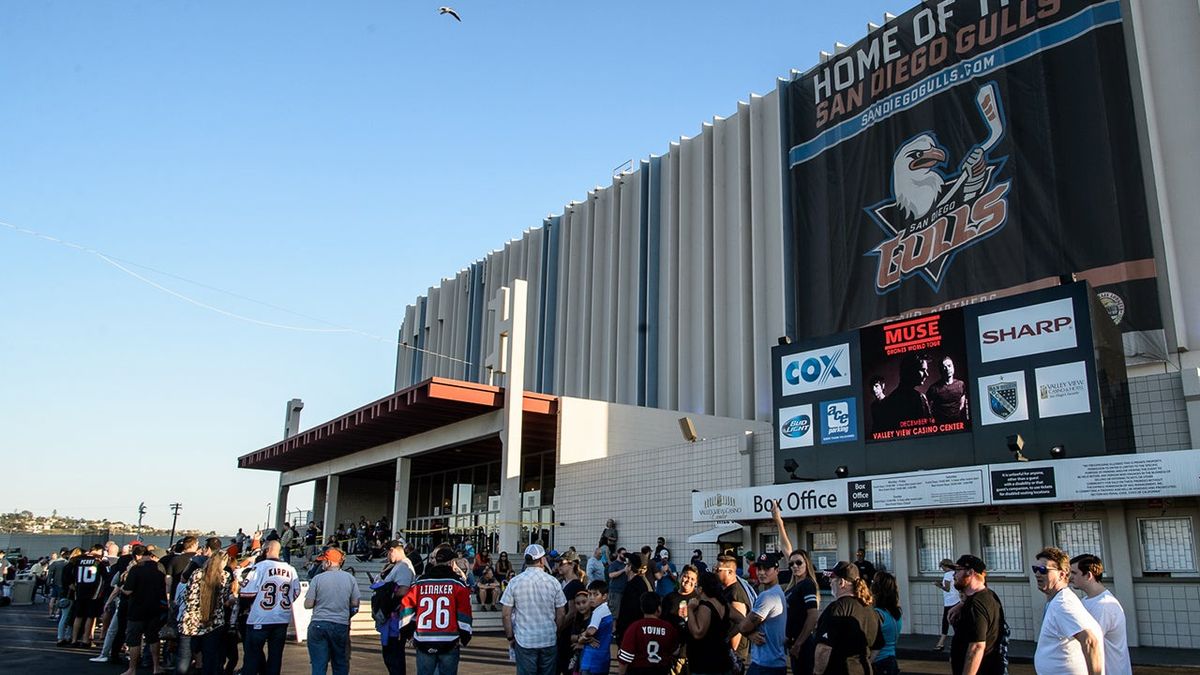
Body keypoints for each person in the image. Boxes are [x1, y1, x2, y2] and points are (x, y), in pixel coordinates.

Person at [399, 546, 473, 675]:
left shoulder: (420, 583)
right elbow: (464, 613)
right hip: (449, 641)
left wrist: (407, 632)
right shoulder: (458, 584)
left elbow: (406, 606)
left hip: (424, 640)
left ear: (435, 561)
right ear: (451, 563)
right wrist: (465, 636)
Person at [1032, 547, 1103, 675]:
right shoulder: (1056, 600)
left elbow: (1090, 640)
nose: (1037, 574)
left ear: (1062, 574)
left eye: (1043, 570)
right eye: (1035, 569)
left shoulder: (1062, 604)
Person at [501, 544, 567, 675]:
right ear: (542, 560)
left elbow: (506, 615)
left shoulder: (515, 582)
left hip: (525, 639)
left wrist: (510, 637)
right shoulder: (553, 582)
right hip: (548, 638)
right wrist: (557, 631)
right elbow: (561, 613)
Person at [240, 541, 301, 675]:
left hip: (260, 617)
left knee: (252, 657)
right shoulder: (291, 569)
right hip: (281, 618)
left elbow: (245, 593)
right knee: (275, 657)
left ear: (266, 550)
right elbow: (296, 592)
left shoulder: (260, 567)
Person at [812, 561, 882, 675]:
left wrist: (817, 672)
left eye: (832, 579)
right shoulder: (870, 610)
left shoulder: (836, 609)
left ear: (842, 582)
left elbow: (823, 649)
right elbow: (877, 648)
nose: (830, 582)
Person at [1069, 554, 1132, 675]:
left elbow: (1089, 641)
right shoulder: (1087, 601)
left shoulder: (1104, 605)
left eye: (1074, 573)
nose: (1070, 577)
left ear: (1088, 575)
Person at [305, 547, 360, 675]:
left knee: (318, 664)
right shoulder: (350, 579)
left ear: (329, 562)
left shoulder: (318, 579)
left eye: (323, 561)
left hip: (319, 623)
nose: (322, 564)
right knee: (340, 663)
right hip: (340, 624)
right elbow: (355, 604)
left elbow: (308, 604)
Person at [949, 554, 1006, 675]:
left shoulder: (976, 605)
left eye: (957, 570)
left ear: (970, 572)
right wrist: (962, 604)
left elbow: (976, 647)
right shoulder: (989, 595)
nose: (954, 575)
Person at [180, 551, 234, 675]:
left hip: (191, 620)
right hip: (214, 621)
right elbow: (225, 599)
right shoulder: (225, 576)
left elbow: (187, 594)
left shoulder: (196, 573)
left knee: (184, 659)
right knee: (210, 658)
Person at [736, 552, 788, 675]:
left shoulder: (768, 596)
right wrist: (750, 633)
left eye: (767, 568)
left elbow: (743, 627)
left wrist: (748, 633)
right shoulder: (778, 591)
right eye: (759, 568)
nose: (762, 572)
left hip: (765, 665)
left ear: (777, 570)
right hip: (775, 663)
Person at [120, 544, 167, 675]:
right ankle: (156, 667)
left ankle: (132, 669)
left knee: (134, 640)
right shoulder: (160, 567)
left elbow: (128, 591)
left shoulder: (136, 569)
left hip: (137, 608)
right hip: (155, 608)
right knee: (153, 638)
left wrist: (122, 588)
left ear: (138, 556)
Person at [620, 591, 681, 675]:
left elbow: (625, 657)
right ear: (659, 608)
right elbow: (675, 651)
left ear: (642, 608)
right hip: (661, 670)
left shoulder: (635, 627)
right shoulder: (668, 627)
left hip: (638, 671)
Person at [379, 539, 417, 675]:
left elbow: (403, 590)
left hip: (395, 619)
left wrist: (387, 600)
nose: (387, 557)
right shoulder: (399, 565)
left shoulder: (403, 566)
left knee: (393, 656)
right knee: (390, 656)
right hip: (392, 619)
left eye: (388, 554)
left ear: (392, 551)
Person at [684, 572, 732, 675]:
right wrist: (729, 635)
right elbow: (741, 619)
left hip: (705, 663)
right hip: (722, 660)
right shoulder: (723, 604)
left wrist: (690, 610)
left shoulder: (705, 606)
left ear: (701, 589)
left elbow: (698, 633)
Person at [715, 554, 755, 672]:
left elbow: (739, 624)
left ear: (730, 572)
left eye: (718, 570)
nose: (715, 572)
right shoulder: (726, 590)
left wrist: (732, 652)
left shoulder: (735, 593)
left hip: (733, 653)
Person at [785, 550, 820, 674]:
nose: (795, 566)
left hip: (803, 645)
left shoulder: (807, 584)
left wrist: (799, 644)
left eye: (799, 562)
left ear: (807, 564)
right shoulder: (793, 586)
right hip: (793, 642)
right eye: (791, 564)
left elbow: (813, 615)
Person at [660, 564, 697, 675]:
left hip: (693, 653)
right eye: (686, 576)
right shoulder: (669, 598)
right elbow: (662, 623)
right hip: (672, 653)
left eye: (692, 579)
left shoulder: (699, 599)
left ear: (696, 582)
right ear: (680, 576)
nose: (688, 580)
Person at [577, 580, 614, 675]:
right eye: (590, 594)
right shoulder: (606, 610)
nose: (592, 598)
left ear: (604, 596)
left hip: (592, 660)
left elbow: (591, 630)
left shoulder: (599, 611)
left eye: (595, 594)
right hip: (602, 659)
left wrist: (582, 637)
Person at [616, 553, 655, 640]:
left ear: (630, 567)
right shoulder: (639, 583)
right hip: (635, 629)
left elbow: (630, 611)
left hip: (632, 630)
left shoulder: (635, 585)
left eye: (626, 564)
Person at [871, 572, 902, 675]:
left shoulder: (877, 614)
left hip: (878, 662)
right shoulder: (896, 613)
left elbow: (874, 643)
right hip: (891, 659)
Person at [927, 355, 969, 424]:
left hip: (958, 423)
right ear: (940, 370)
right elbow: (927, 408)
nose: (947, 369)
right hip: (941, 425)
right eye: (944, 367)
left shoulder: (961, 384)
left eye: (949, 366)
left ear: (953, 367)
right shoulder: (933, 388)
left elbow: (963, 403)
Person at [933, 558, 957, 652]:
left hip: (949, 601)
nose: (942, 569)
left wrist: (937, 585)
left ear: (945, 566)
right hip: (956, 600)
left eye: (942, 567)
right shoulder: (955, 573)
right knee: (955, 622)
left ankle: (941, 643)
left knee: (945, 622)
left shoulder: (947, 574)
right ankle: (956, 642)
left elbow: (947, 589)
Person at [607, 548, 628, 619]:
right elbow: (611, 575)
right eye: (623, 554)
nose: (624, 556)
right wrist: (623, 570)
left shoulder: (625, 564)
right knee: (614, 614)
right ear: (618, 554)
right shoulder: (614, 564)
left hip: (623, 591)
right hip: (615, 592)